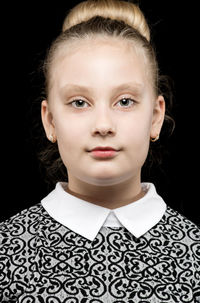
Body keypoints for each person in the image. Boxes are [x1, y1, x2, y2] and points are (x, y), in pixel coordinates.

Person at [0, 0, 199, 302]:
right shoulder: (7, 249)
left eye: (125, 101)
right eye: (79, 102)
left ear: (156, 116)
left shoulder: (194, 248)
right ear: (50, 120)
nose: (103, 125)